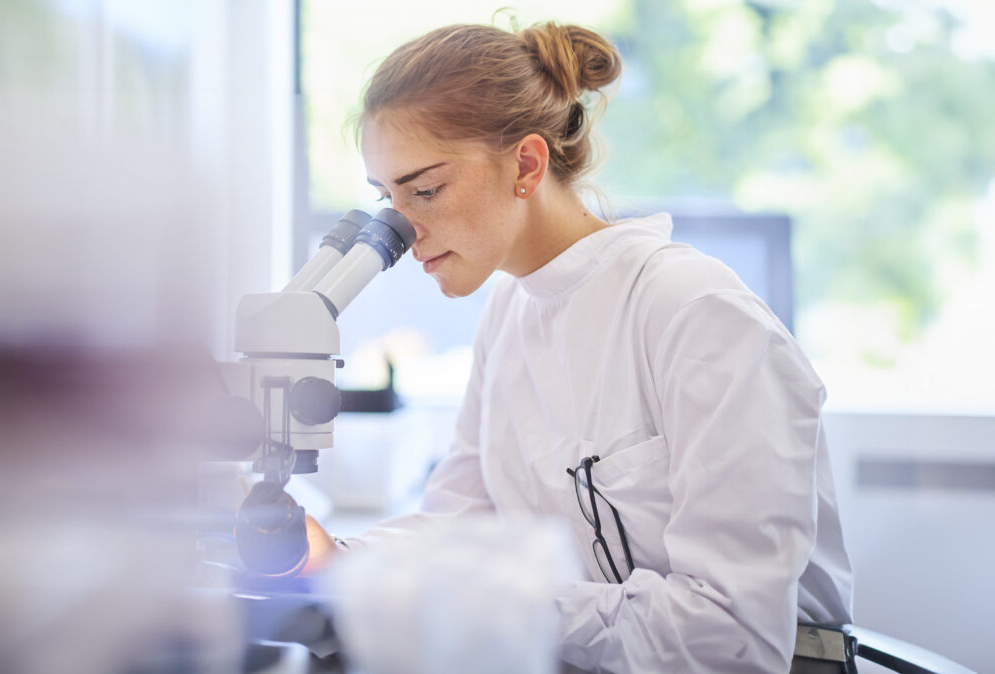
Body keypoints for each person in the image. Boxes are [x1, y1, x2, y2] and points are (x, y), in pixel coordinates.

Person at [304, 20, 853, 673]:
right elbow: (462, 528)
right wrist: (334, 559)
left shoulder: (693, 313)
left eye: (424, 190)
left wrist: (497, 603)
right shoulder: (510, 313)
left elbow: (729, 634)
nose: (404, 232)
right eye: (387, 200)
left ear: (527, 165)